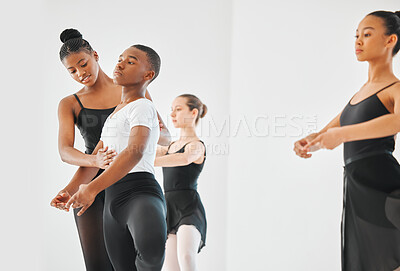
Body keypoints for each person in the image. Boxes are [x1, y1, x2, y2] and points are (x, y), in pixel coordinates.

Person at [51, 28, 170, 271]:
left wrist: (147, 137)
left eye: (83, 64)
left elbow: (164, 136)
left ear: (95, 55)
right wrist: (72, 187)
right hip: (91, 187)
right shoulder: (70, 103)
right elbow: (65, 152)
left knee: (144, 254)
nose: (80, 73)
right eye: (72, 71)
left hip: (130, 180)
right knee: (98, 266)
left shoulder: (135, 92)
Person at [294, 11, 400, 271]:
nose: (358, 41)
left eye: (367, 34)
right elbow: (337, 126)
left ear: (390, 41)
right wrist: (311, 141)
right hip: (358, 188)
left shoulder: (395, 88)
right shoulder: (360, 94)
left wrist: (341, 135)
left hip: (385, 187)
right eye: (356, 36)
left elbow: (397, 121)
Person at [155, 94, 207, 271]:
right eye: (171, 110)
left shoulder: (197, 145)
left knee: (186, 256)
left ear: (193, 113)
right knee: (171, 267)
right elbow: (142, 153)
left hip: (189, 208)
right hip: (169, 208)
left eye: (178, 109)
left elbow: (184, 158)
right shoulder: (168, 147)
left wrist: (150, 161)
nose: (172, 114)